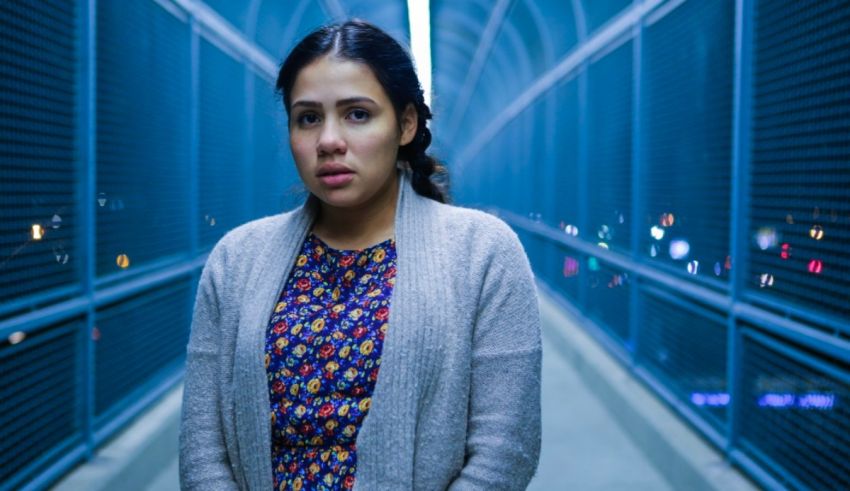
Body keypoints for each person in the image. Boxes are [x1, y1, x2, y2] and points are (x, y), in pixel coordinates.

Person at [179, 19, 541, 491]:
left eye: (357, 114)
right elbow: (203, 450)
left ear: (406, 124)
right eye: (308, 117)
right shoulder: (236, 260)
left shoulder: (483, 252)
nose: (329, 141)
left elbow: (504, 452)